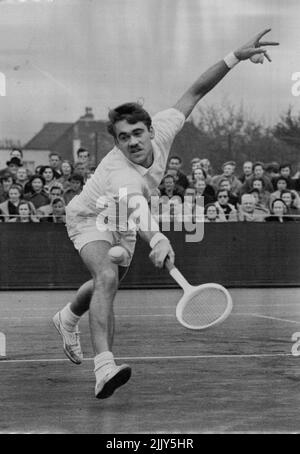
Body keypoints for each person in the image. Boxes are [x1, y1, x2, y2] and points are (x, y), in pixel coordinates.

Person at [52, 29, 279, 399]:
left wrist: (234, 57)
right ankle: (104, 368)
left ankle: (67, 317)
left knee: (104, 284)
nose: (133, 142)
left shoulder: (165, 129)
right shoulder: (118, 172)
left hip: (124, 220)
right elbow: (138, 210)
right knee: (107, 276)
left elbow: (195, 92)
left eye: (137, 133)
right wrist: (156, 238)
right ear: (116, 141)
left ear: (151, 129)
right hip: (90, 217)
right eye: (123, 137)